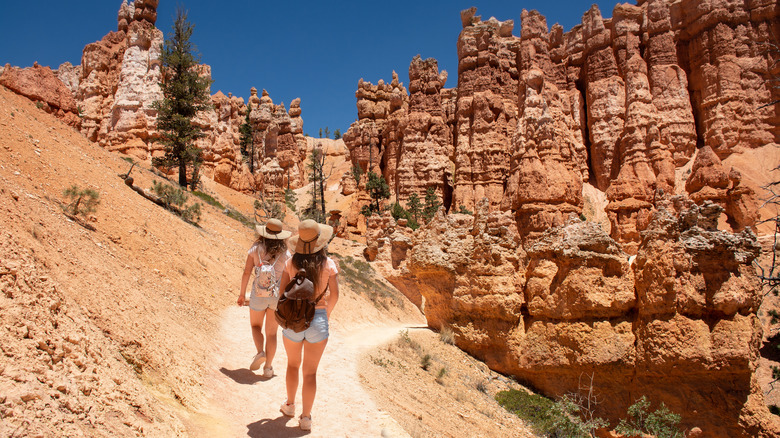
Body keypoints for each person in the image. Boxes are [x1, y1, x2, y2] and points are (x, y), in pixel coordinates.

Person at [278, 219, 339, 431]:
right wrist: (326, 315)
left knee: (292, 365)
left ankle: (289, 405)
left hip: (294, 320)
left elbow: (281, 293)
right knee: (310, 373)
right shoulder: (328, 264)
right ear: (320, 242)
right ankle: (305, 419)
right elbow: (335, 296)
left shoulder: (291, 263)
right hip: (319, 319)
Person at [238, 218, 292, 378]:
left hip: (258, 294)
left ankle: (260, 352)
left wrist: (242, 294)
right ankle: (268, 368)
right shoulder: (286, 253)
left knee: (255, 326)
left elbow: (247, 272)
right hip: (276, 296)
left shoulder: (255, 249)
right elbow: (289, 276)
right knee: (272, 333)